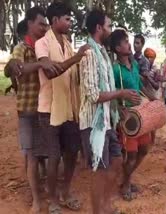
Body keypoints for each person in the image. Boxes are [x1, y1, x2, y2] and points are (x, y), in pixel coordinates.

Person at [79, 10, 140, 213]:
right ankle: (99, 209)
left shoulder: (103, 52)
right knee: (99, 171)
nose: (110, 29)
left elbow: (107, 88)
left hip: (107, 121)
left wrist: (117, 108)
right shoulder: (89, 53)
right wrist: (120, 93)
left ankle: (105, 205)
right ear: (98, 28)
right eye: (108, 26)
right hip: (93, 124)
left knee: (116, 161)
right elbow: (93, 95)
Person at [3, 7, 62, 213]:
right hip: (28, 110)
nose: (44, 27)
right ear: (29, 24)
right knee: (31, 156)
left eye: (46, 24)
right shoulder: (21, 48)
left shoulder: (41, 47)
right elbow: (18, 69)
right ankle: (37, 199)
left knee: (44, 153)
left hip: (45, 110)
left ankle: (41, 188)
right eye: (41, 24)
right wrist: (40, 64)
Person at [35, 2, 89, 213]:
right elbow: (50, 71)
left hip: (68, 107)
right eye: (67, 19)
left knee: (72, 153)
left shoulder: (66, 43)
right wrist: (76, 58)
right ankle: (52, 200)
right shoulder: (42, 43)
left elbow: (71, 73)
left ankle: (65, 192)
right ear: (55, 20)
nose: (70, 22)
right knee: (54, 155)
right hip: (49, 108)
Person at [110, 29, 156, 201]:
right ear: (117, 48)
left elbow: (139, 85)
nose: (128, 44)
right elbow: (109, 92)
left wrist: (150, 97)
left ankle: (125, 179)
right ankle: (126, 183)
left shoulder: (134, 64)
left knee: (144, 149)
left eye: (127, 41)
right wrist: (117, 106)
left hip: (140, 115)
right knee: (131, 155)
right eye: (124, 42)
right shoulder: (115, 69)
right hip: (127, 117)